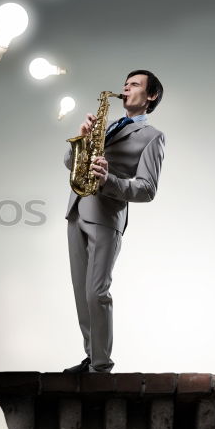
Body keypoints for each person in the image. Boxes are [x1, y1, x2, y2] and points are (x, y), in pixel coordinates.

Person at [62, 70, 166, 373]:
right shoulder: (104, 127)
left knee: (97, 291)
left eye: (135, 84)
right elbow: (70, 163)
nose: (126, 87)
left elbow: (147, 189)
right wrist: (82, 138)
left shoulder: (153, 137)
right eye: (126, 83)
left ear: (151, 96)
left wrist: (109, 180)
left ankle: (102, 367)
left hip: (106, 217)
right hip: (77, 210)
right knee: (82, 293)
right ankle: (92, 357)